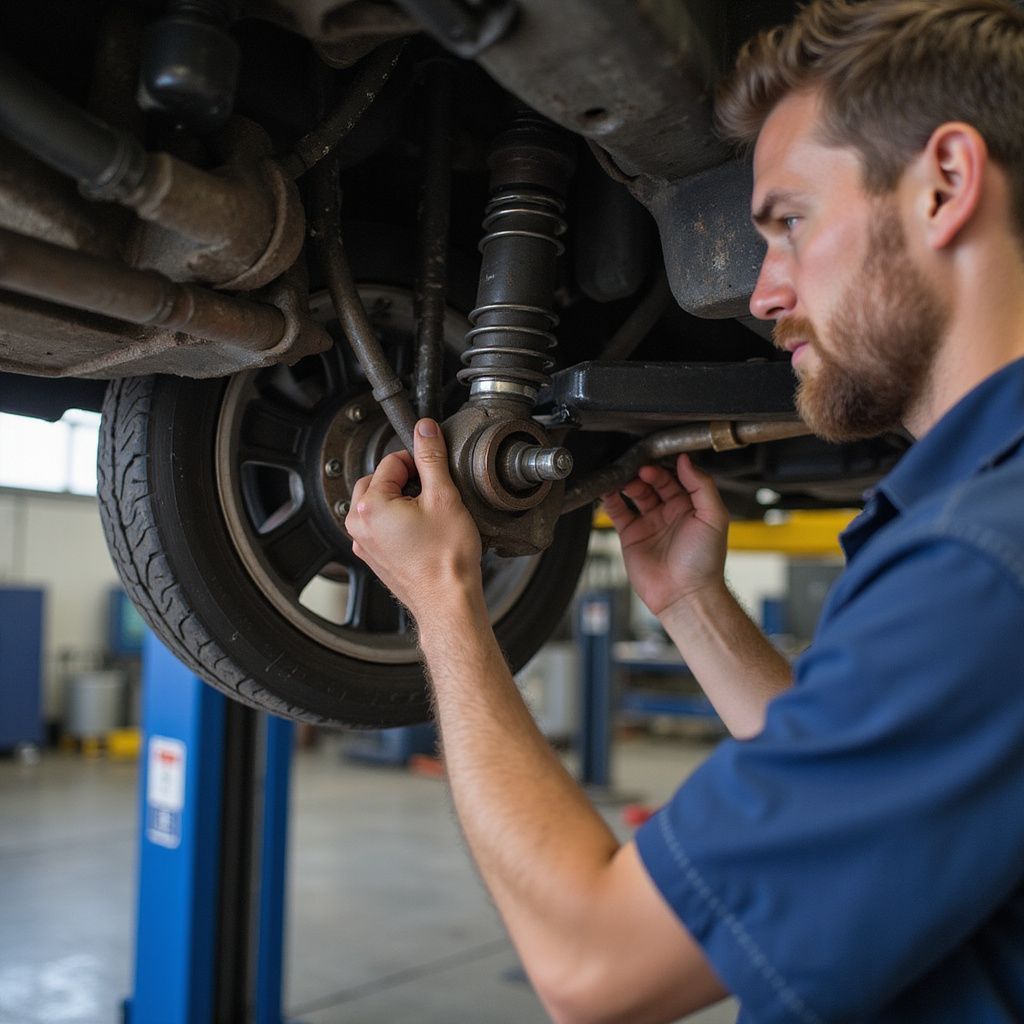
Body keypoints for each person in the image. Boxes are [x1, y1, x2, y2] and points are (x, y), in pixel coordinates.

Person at [345, 0, 1024, 1019]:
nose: (761, 292)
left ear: (944, 185)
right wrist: (692, 605)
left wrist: (444, 603)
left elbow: (592, 959)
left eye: (790, 222)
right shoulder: (986, 529)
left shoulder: (982, 560)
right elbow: (880, 788)